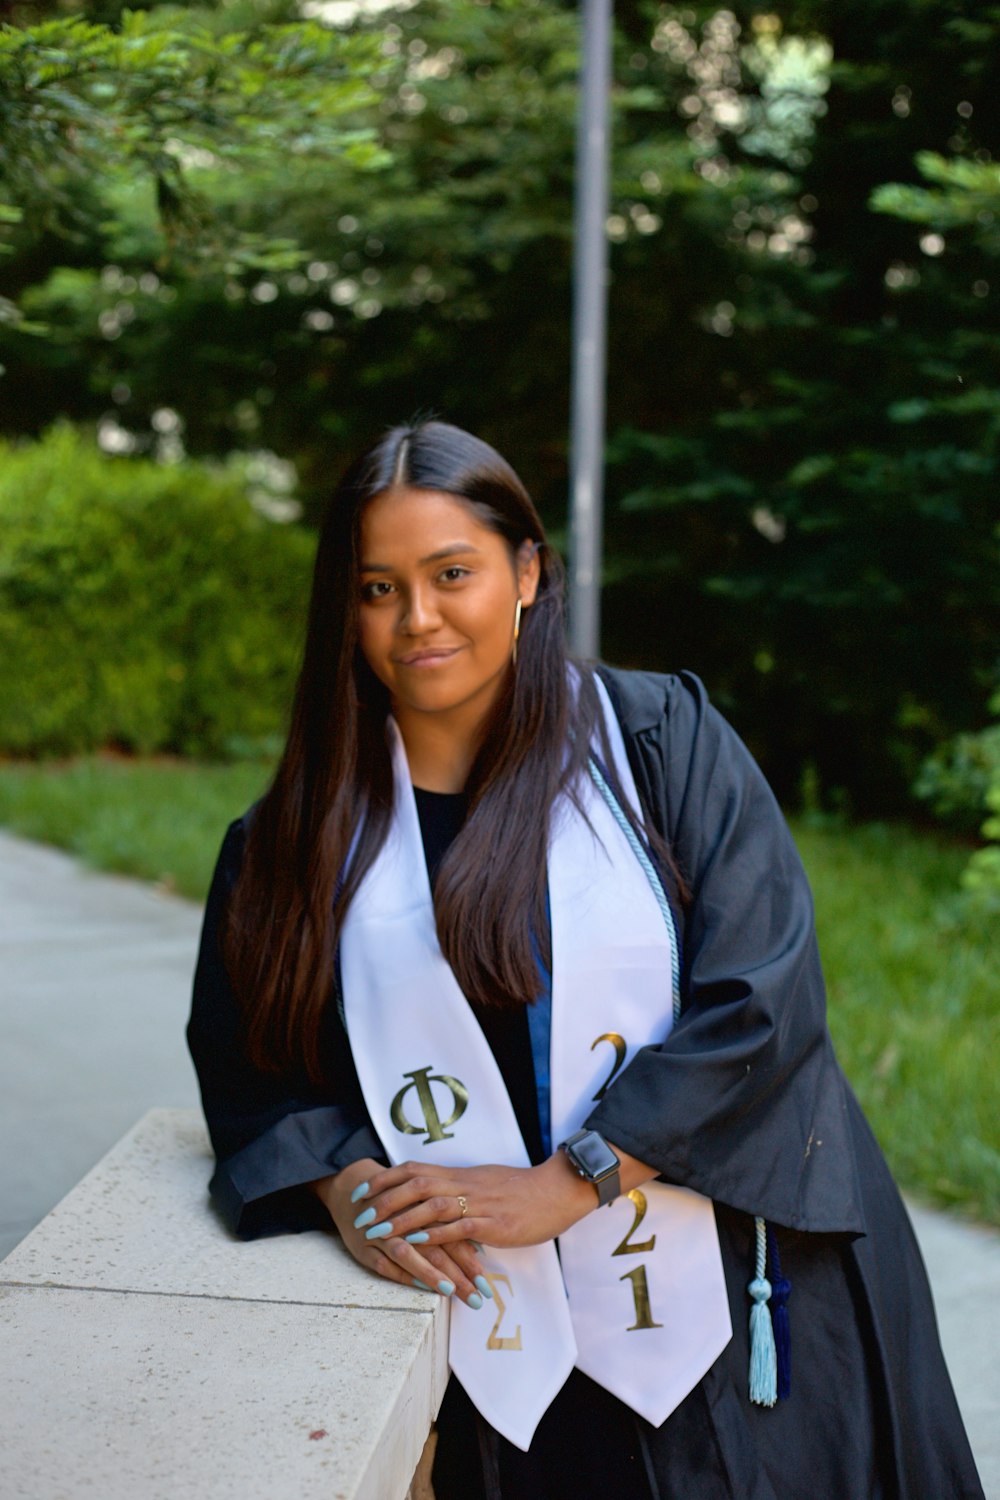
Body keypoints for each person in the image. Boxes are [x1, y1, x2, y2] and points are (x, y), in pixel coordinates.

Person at [188, 419, 984, 1500]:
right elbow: (251, 1070)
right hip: (506, 1353)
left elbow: (761, 997)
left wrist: (573, 1183)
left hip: (749, 1321)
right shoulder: (294, 839)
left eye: (451, 573)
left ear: (527, 573)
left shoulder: (659, 747)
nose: (415, 618)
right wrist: (345, 1185)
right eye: (377, 588)